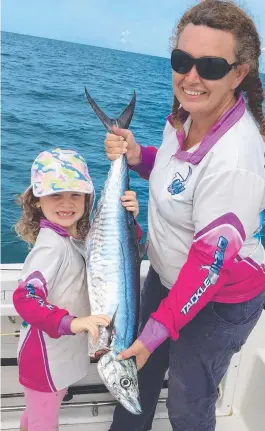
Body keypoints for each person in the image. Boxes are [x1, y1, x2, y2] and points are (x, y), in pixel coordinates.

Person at [104, 1, 265, 430]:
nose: (191, 77)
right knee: (137, 371)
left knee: (188, 404)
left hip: (219, 299)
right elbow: (177, 176)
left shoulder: (236, 159)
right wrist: (137, 157)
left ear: (239, 73)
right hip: (166, 274)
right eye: (182, 60)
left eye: (210, 65)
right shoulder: (184, 116)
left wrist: (155, 332)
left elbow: (210, 264)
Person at [13, 147, 140, 431]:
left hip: (58, 354)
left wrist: (130, 218)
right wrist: (73, 322)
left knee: (35, 416)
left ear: (87, 198)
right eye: (56, 194)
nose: (66, 203)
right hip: (44, 360)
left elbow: (112, 258)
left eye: (75, 194)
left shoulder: (72, 237)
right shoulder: (50, 248)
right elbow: (26, 298)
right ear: (37, 200)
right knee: (44, 424)